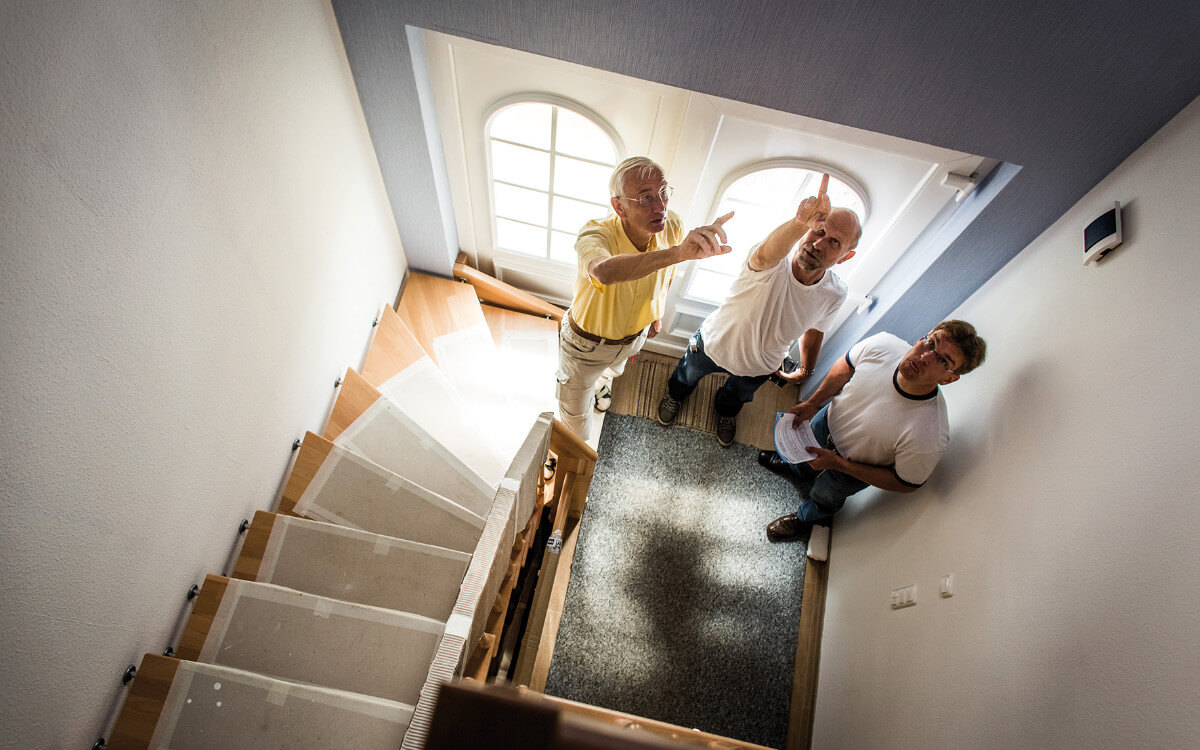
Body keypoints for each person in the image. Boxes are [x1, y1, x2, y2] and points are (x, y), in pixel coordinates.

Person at [656, 174, 862, 447]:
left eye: (835, 242)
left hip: (759, 368)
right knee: (685, 376)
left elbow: (815, 330)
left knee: (734, 399)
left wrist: (806, 370)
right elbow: (766, 254)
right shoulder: (772, 262)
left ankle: (726, 413)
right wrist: (800, 222)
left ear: (846, 255)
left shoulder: (836, 293)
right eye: (818, 231)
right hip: (712, 345)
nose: (819, 244)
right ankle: (676, 395)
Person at [556, 156, 735, 439]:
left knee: (612, 372)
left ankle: (601, 383)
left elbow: (667, 274)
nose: (660, 206)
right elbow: (603, 271)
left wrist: (657, 313)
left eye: (663, 192)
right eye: (645, 197)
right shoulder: (595, 234)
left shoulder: (672, 225)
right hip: (585, 348)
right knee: (574, 427)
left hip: (632, 339)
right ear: (619, 206)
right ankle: (565, 455)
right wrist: (678, 252)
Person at [761, 320, 987, 542]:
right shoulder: (884, 345)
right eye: (931, 343)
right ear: (923, 337)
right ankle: (796, 468)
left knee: (825, 495)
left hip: (852, 467)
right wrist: (813, 402)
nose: (925, 357)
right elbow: (846, 365)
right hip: (827, 422)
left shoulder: (931, 432)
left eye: (943, 361)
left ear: (949, 378)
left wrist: (838, 464)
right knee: (804, 453)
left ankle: (805, 519)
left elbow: (905, 484)